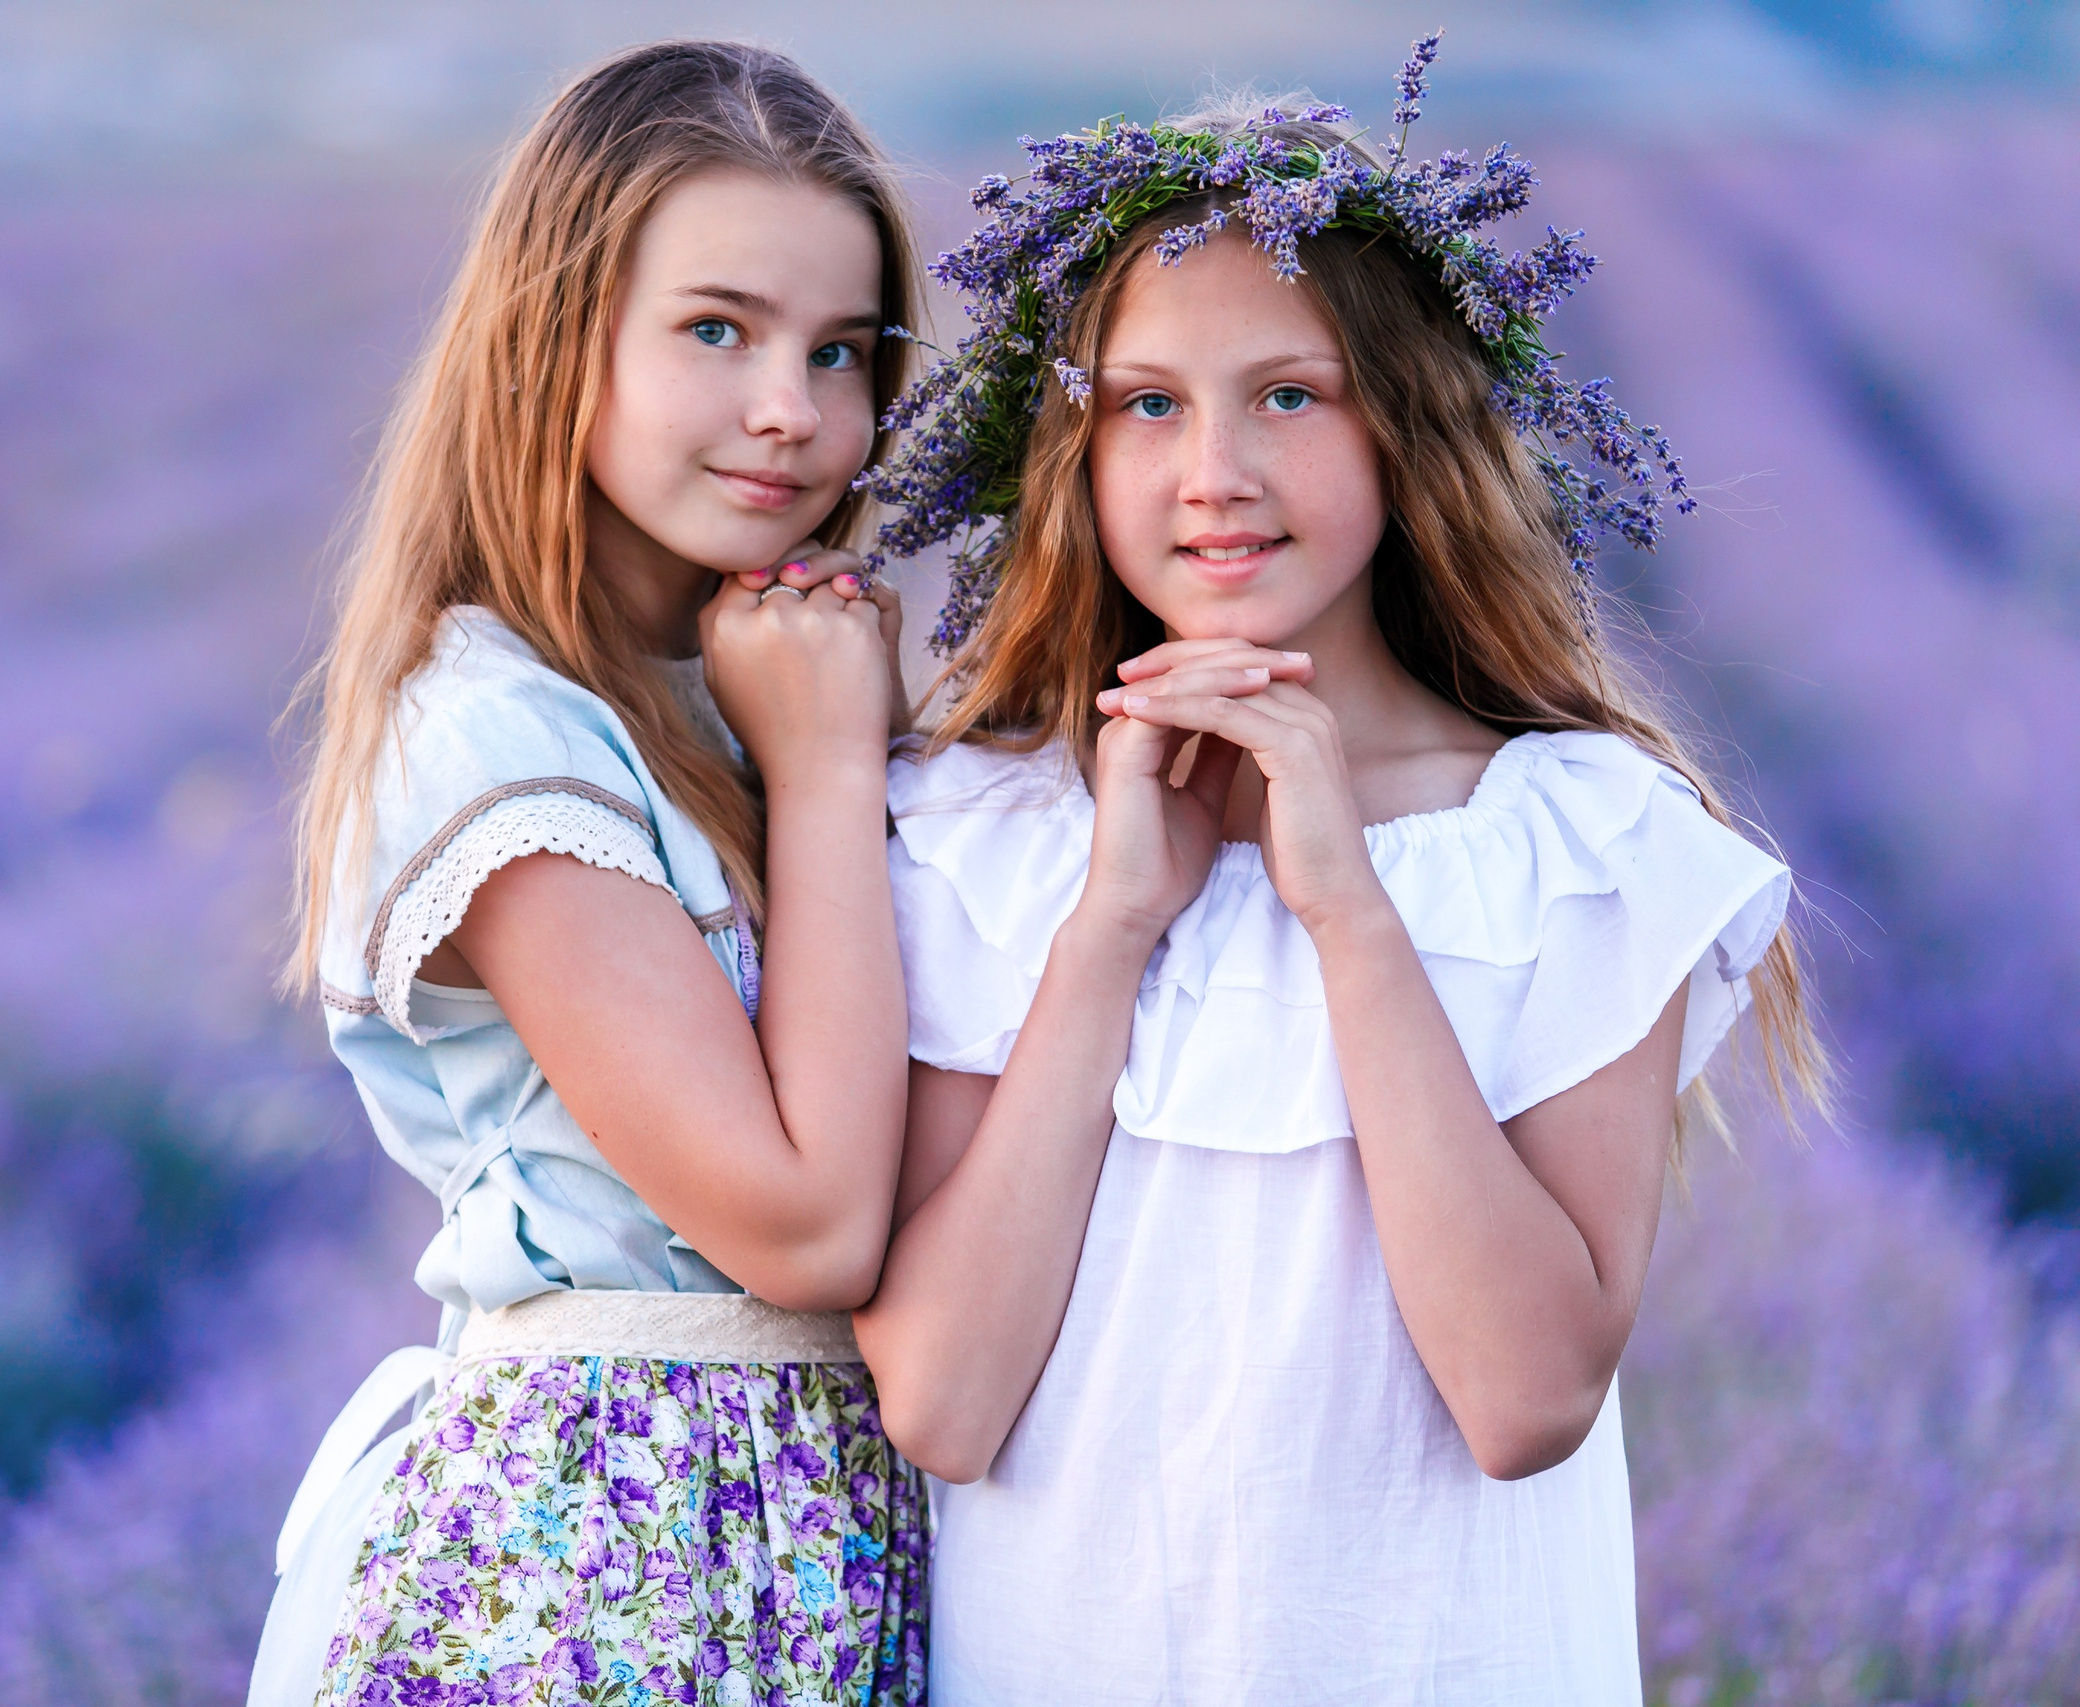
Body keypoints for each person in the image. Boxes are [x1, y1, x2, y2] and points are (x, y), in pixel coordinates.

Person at [848, 42, 1826, 1705]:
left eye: (1289, 396)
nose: (1213, 473)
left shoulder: (1579, 849)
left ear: (1405, 432)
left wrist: (1350, 915)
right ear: (1077, 452)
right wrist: (1113, 928)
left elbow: (1524, 1397)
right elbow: (942, 1400)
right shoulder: (976, 839)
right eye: (1148, 404)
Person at [251, 41, 927, 1707]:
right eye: (717, 330)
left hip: (812, 1548)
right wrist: (829, 776)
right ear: (557, 336)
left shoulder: (764, 687)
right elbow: (806, 1227)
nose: (792, 410)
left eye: (839, 352)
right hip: (594, 1564)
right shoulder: (496, 732)